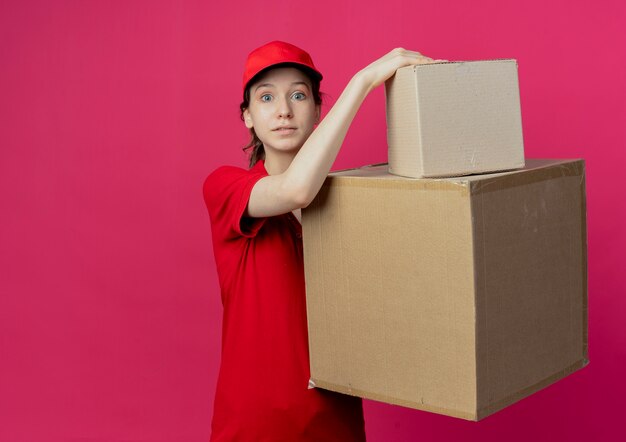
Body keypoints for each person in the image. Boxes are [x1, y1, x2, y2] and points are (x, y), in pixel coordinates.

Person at [203, 41, 439, 441]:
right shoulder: (225, 186)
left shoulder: (350, 204)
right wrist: (363, 82)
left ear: (316, 111)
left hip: (333, 417)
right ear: (247, 116)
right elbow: (296, 191)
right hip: (253, 424)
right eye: (266, 98)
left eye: (299, 95)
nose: (284, 110)